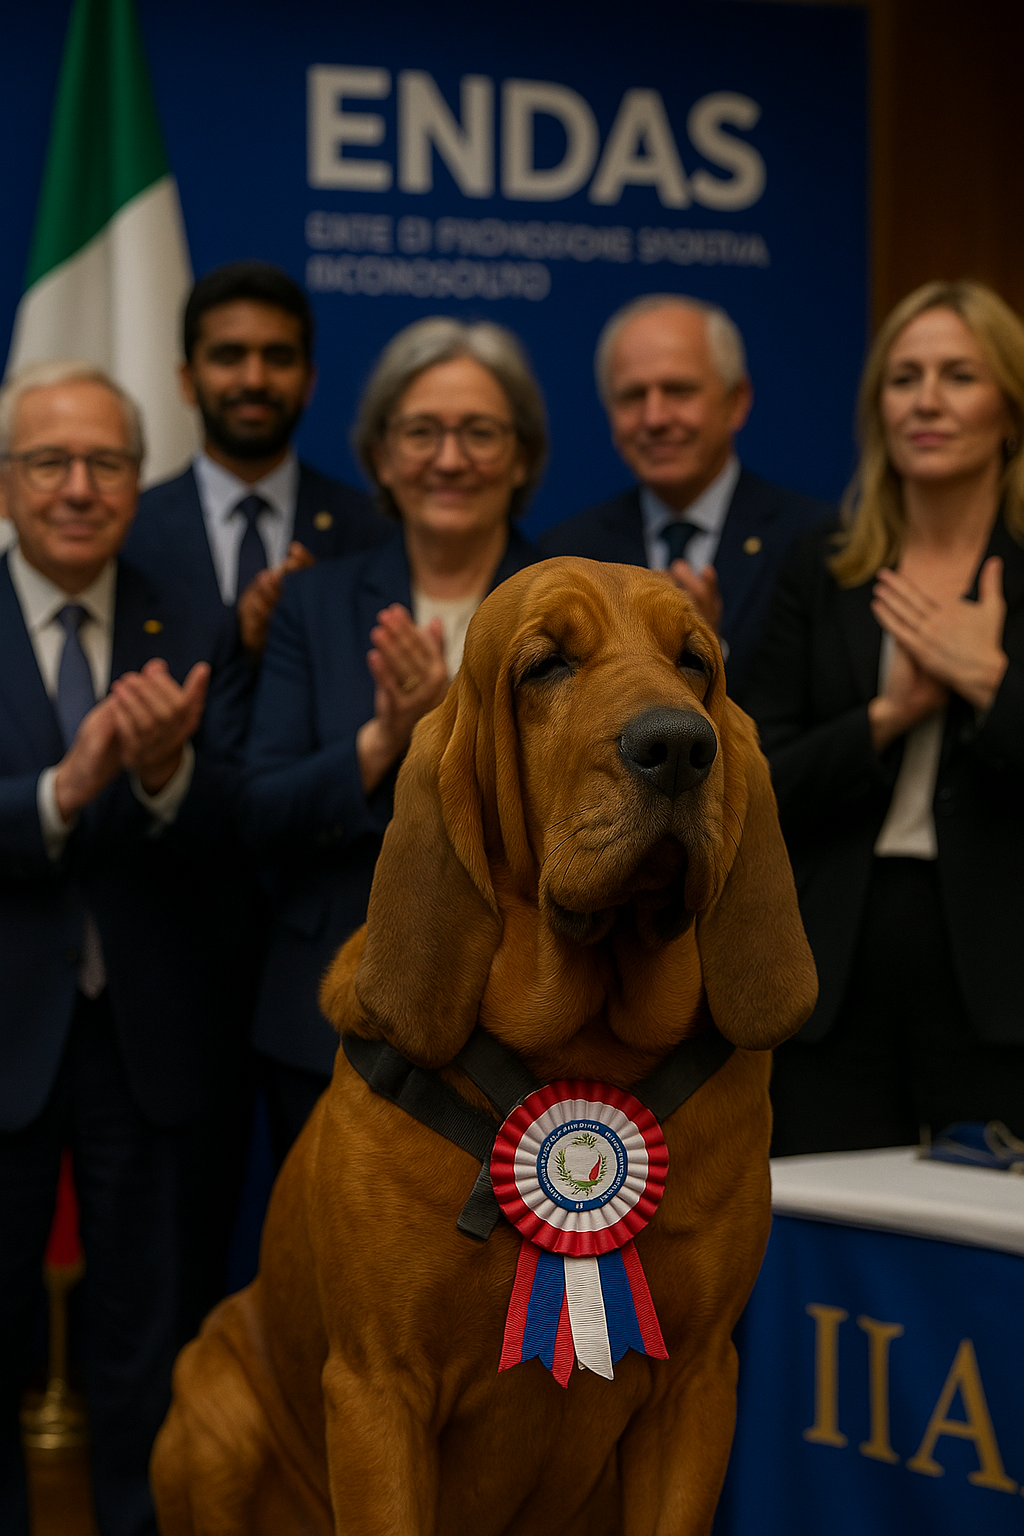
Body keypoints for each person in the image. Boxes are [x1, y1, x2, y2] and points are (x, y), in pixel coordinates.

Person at [0, 361, 249, 1535]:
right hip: (3, 1038)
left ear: (136, 481)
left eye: (105, 462)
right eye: (49, 462)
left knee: (144, 1341)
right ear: (8, 482)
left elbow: (238, 828)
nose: (78, 487)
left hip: (147, 1046)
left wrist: (166, 777)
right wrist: (63, 789)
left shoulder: (191, 616)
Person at [242, 318, 544, 1163]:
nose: (449, 460)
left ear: (521, 456)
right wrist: (385, 739)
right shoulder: (316, 603)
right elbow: (259, 807)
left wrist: (449, 726)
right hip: (330, 1002)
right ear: (380, 455)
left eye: (480, 432)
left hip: (524, 1011)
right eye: (421, 432)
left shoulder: (568, 604)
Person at [744, 280, 1024, 1156]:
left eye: (957, 376)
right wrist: (890, 714)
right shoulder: (822, 563)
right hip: (836, 962)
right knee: (828, 1224)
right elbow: (761, 777)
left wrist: (988, 682)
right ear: (878, 409)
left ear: (1009, 406)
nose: (927, 401)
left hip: (1000, 973)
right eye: (905, 378)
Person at [539, 293, 832, 700]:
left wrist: (706, 653)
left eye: (678, 391)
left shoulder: (814, 540)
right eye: (632, 396)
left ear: (736, 401)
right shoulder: (569, 551)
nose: (655, 418)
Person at [125, 260, 391, 655]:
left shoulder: (371, 531)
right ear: (187, 381)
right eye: (229, 356)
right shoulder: (131, 528)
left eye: (279, 357)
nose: (254, 380)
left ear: (309, 382)